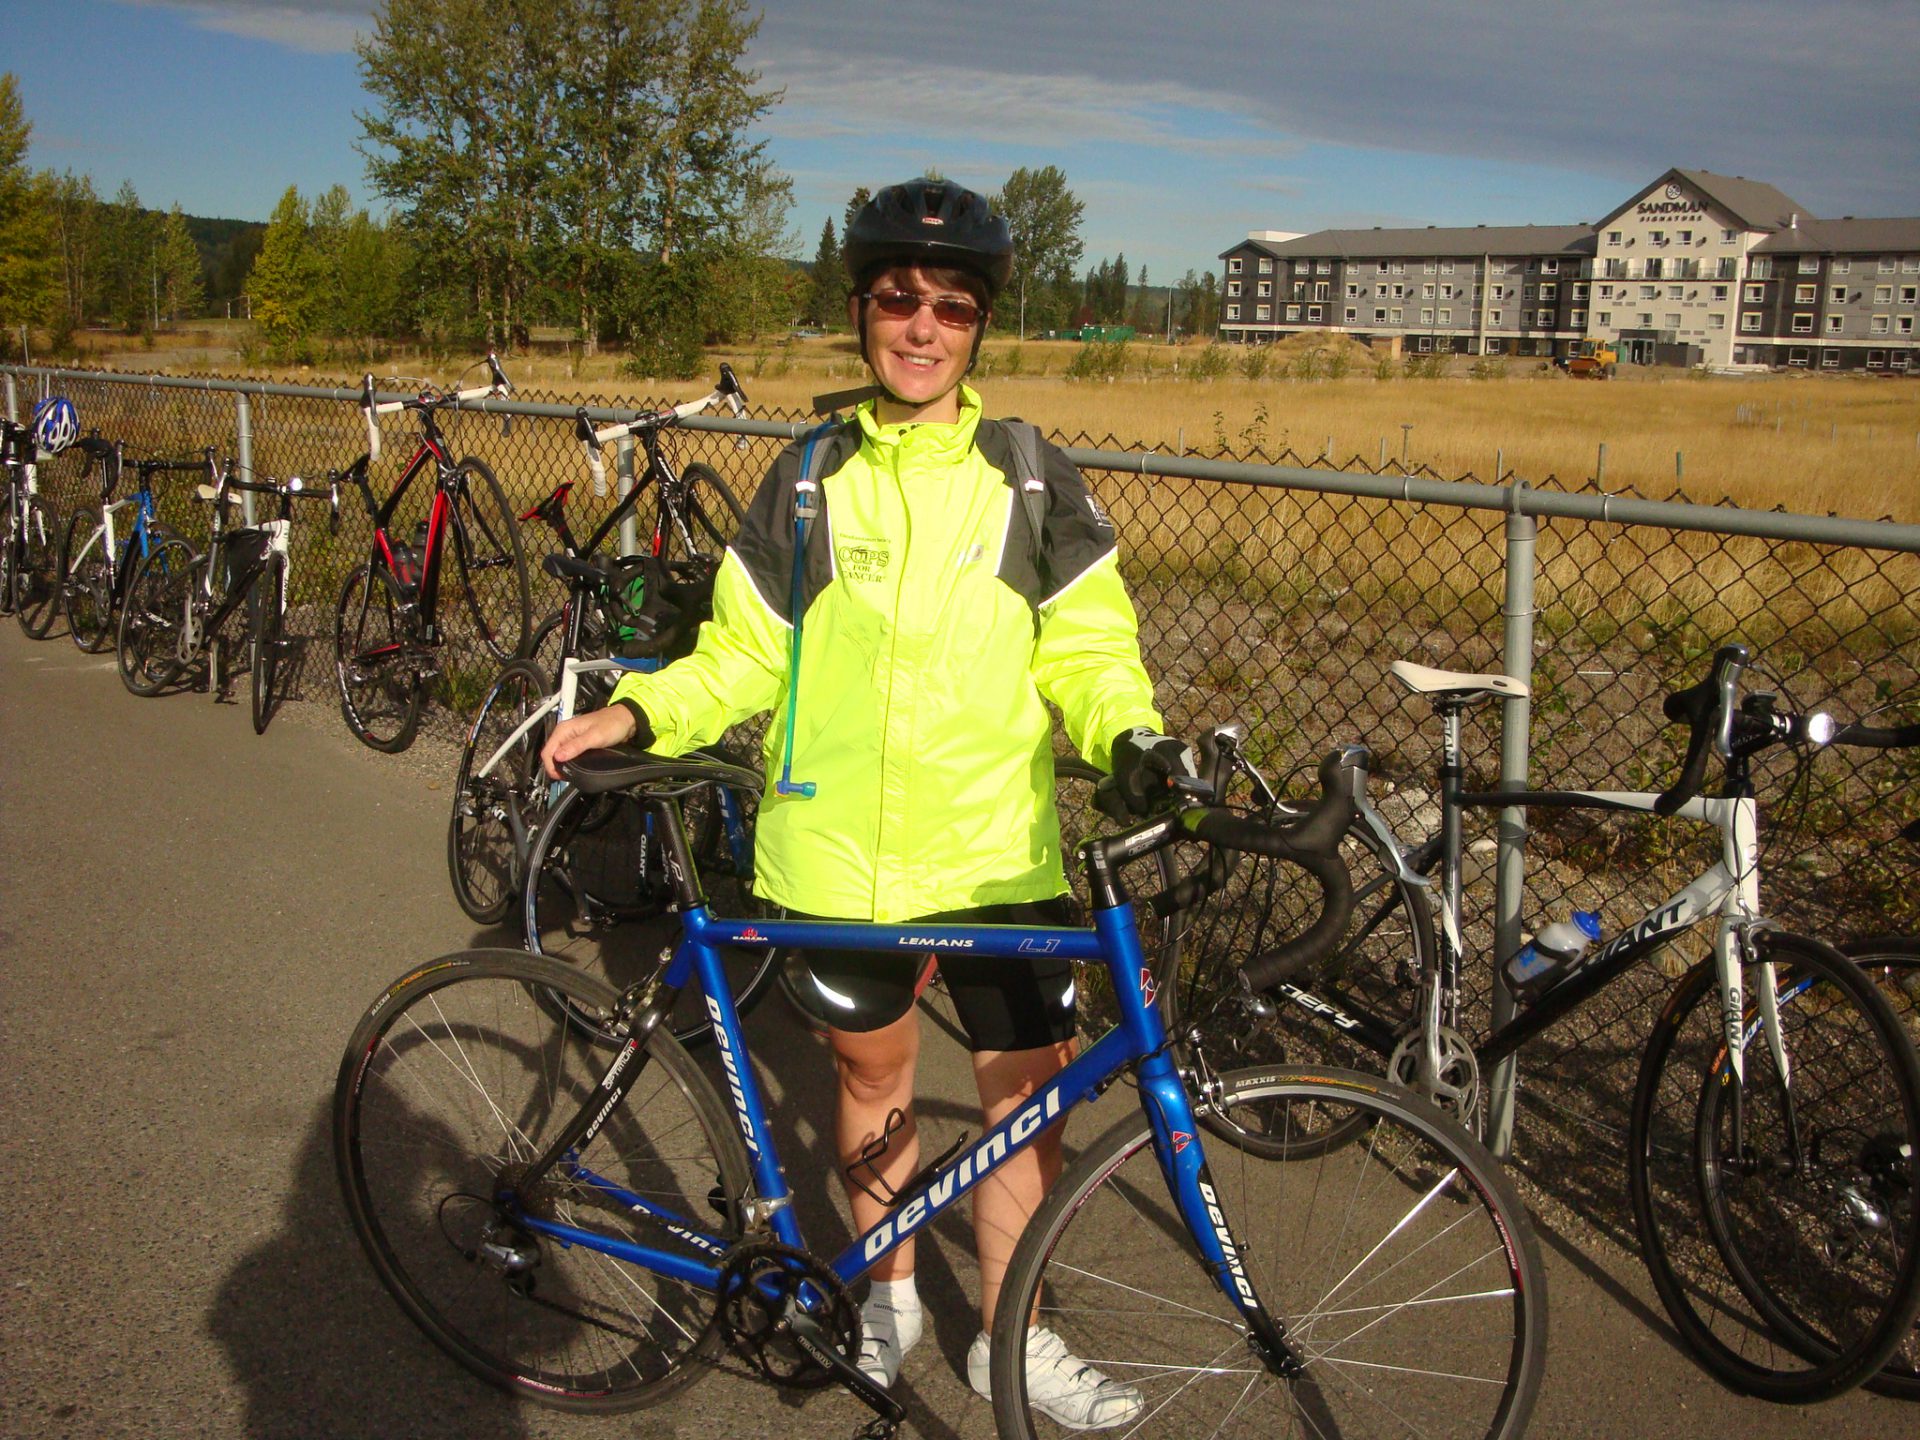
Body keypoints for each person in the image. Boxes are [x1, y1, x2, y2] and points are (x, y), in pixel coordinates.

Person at [540, 177, 1194, 1429]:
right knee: (872, 1078)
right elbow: (743, 652)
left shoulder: (1031, 475)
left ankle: (1015, 1337)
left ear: (980, 326)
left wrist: (1132, 738)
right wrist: (640, 711)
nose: (922, 324)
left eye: (951, 305)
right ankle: (886, 1301)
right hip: (836, 855)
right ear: (860, 309)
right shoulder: (805, 477)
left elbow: (1090, 650)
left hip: (998, 852)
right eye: (899, 297)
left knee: (1025, 1091)